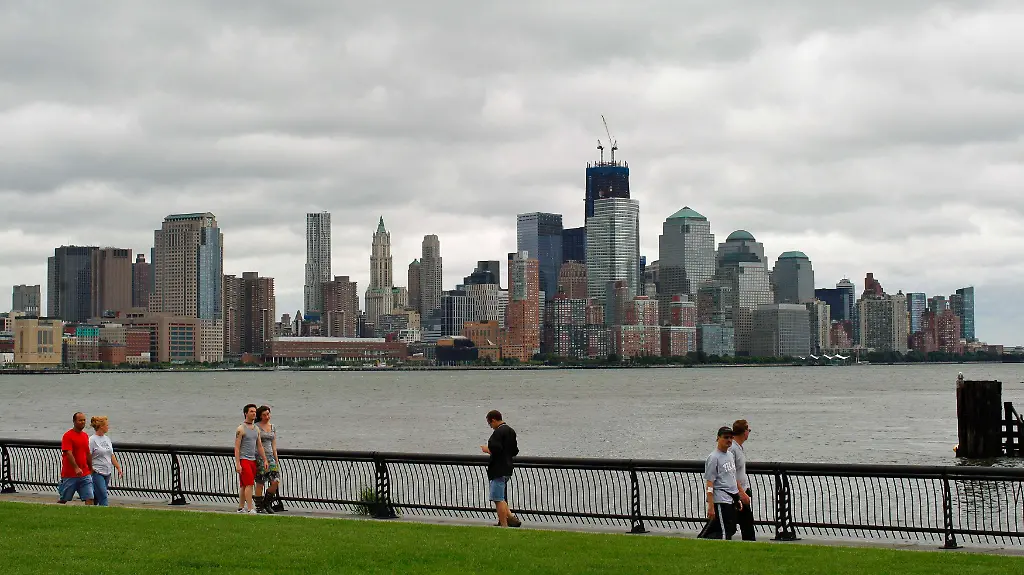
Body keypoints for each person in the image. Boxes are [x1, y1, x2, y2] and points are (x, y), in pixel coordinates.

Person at [697, 426, 741, 540]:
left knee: (731, 527)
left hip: (731, 498)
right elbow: (710, 483)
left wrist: (737, 498)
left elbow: (731, 478)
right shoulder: (713, 458)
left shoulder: (730, 455)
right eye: (726, 437)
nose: (729, 440)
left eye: (731, 438)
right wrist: (711, 506)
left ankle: (702, 539)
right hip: (721, 499)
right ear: (718, 438)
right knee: (724, 530)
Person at [480, 409, 521, 528]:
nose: (491, 427)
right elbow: (515, 451)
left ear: (493, 420)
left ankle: (504, 525)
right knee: (500, 497)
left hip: (498, 469)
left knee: (498, 499)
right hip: (508, 468)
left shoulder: (498, 433)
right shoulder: (511, 431)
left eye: (490, 424)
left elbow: (495, 449)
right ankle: (512, 519)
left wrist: (487, 449)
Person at [234, 404, 268, 514]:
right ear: (246, 413)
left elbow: (259, 446)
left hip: (253, 459)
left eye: (255, 411)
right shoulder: (241, 429)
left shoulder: (256, 429)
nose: (254, 413)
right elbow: (237, 448)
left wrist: (265, 459)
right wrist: (238, 464)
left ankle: (240, 507)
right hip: (244, 460)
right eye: (251, 411)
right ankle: (250, 508)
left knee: (244, 485)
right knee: (249, 484)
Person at [58, 412, 94, 505]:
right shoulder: (68, 436)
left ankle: (88, 516)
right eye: (80, 420)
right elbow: (68, 453)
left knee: (89, 497)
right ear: (74, 421)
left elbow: (87, 453)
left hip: (84, 473)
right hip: (70, 474)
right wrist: (76, 468)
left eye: (84, 420)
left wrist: (90, 467)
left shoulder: (85, 436)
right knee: (64, 499)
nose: (82, 422)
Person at [89, 416, 124, 507]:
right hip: (97, 472)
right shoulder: (92, 440)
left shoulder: (107, 439)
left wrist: (118, 467)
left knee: (97, 495)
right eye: (107, 425)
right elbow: (88, 456)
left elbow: (111, 455)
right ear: (101, 426)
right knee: (103, 495)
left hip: (107, 472)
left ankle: (91, 508)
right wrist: (91, 469)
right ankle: (105, 511)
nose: (108, 427)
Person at [729, 419, 755, 541]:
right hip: (737, 493)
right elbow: (731, 473)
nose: (749, 432)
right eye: (748, 430)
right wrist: (741, 493)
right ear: (744, 432)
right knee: (743, 523)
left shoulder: (738, 447)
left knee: (746, 523)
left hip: (742, 490)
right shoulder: (732, 449)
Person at [253, 405, 282, 514]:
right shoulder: (256, 427)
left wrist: (276, 458)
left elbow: (274, 444)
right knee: (260, 481)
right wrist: (263, 458)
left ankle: (267, 502)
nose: (267, 416)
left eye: (268, 414)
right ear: (260, 416)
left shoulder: (272, 427)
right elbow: (258, 444)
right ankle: (259, 506)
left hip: (270, 456)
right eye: (264, 415)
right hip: (260, 456)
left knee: (275, 481)